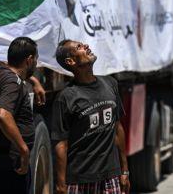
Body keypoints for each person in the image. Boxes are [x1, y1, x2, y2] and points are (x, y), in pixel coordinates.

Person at [52, 40, 130, 194]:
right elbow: (61, 144)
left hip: (111, 176)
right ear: (71, 61)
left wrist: (125, 171)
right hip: (80, 180)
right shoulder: (66, 97)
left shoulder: (110, 84)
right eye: (79, 47)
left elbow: (117, 128)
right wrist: (61, 184)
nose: (86, 46)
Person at [0, 37, 45, 194]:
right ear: (29, 60)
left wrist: (34, 81)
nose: (36, 64)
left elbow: (0, 62)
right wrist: (23, 149)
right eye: (35, 60)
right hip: (9, 165)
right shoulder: (13, 83)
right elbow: (2, 115)